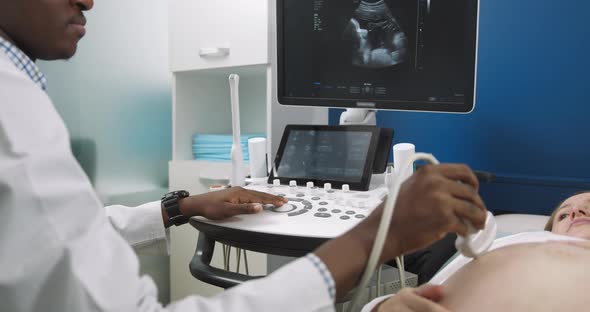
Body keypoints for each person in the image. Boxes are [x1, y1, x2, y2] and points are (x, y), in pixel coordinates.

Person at [0, 1, 488, 311]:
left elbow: (52, 240)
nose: (89, 0)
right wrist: (376, 236)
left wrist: (179, 207)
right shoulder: (11, 110)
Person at [365, 191, 590, 312]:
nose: (575, 211)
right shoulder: (509, 244)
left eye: (588, 206)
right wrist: (382, 307)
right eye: (563, 214)